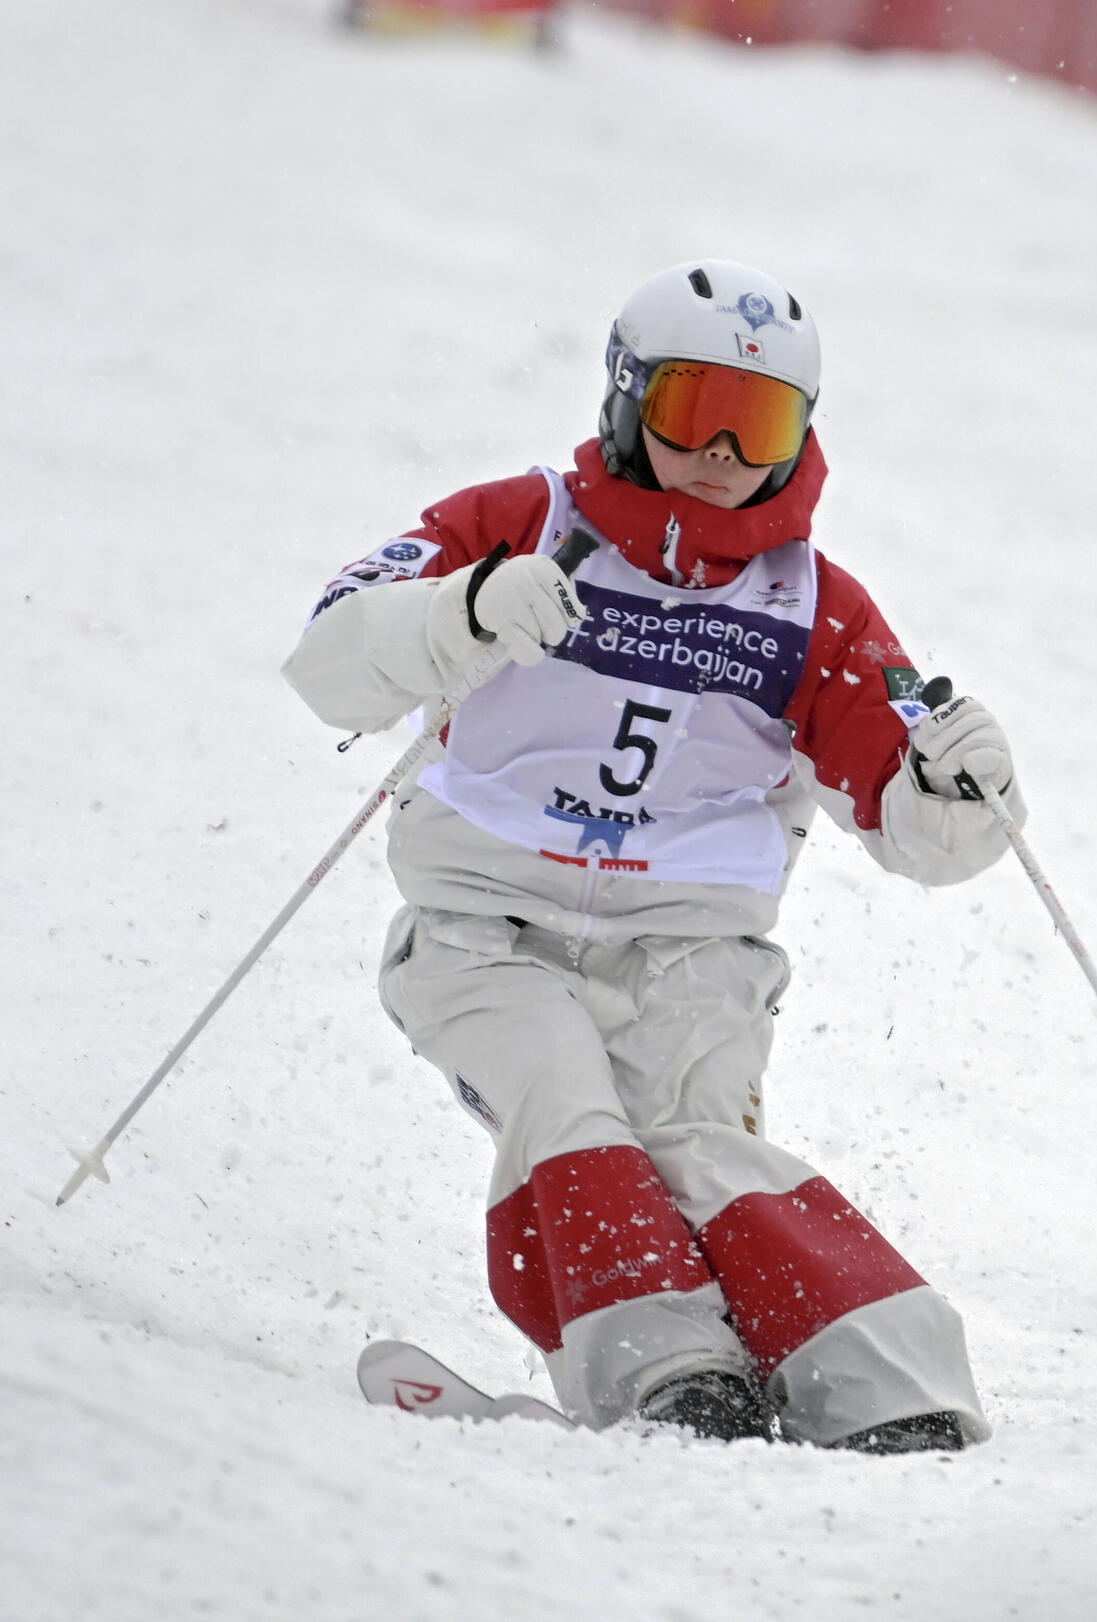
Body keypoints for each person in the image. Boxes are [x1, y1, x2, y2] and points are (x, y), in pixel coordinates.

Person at [284, 259, 1025, 1451]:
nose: (725, 452)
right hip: (488, 926)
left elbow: (915, 824)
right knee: (566, 1105)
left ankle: (884, 1380)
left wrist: (960, 787)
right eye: (694, 409)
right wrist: (459, 613)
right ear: (627, 399)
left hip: (693, 950)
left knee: (702, 1147)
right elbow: (327, 662)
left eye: (762, 421)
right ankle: (668, 1368)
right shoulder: (520, 523)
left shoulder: (811, 604)